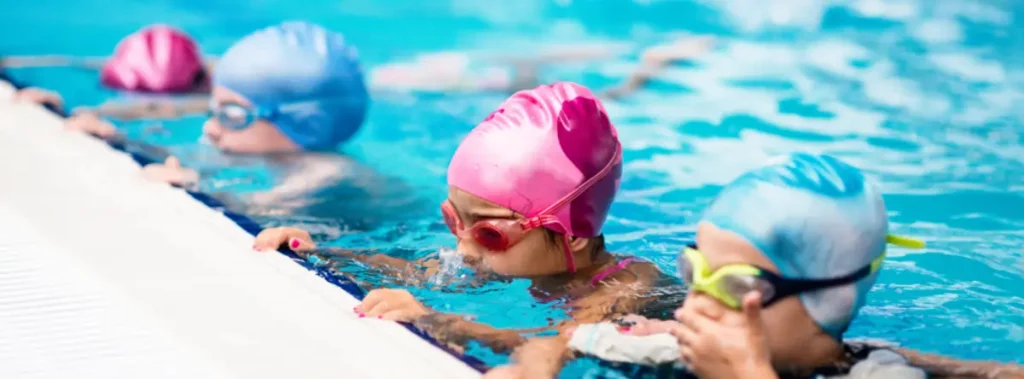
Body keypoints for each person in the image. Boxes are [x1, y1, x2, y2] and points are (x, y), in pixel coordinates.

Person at [492, 153, 1024, 378]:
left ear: (830, 299)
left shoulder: (880, 373)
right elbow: (564, 340)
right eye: (695, 272)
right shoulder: (683, 345)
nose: (697, 304)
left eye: (735, 286)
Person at [253, 81, 684, 354]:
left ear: (573, 235)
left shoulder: (628, 285)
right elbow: (418, 274)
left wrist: (431, 319)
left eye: (489, 233)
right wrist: (319, 253)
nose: (464, 248)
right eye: (454, 221)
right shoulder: (514, 259)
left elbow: (550, 346)